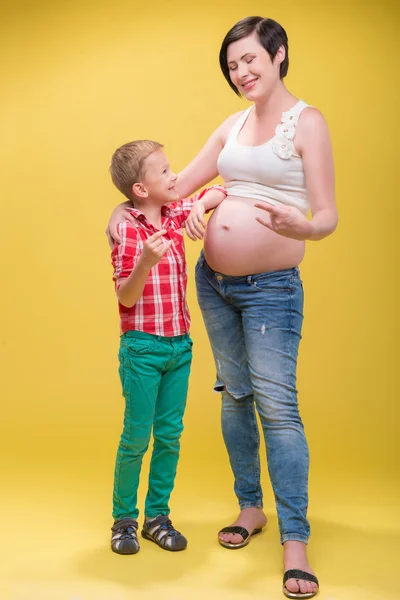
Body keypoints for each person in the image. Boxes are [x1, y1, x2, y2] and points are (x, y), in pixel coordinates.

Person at [106, 16, 337, 598]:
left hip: (272, 288)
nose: (242, 73)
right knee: (235, 396)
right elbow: (170, 186)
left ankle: (296, 541)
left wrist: (304, 229)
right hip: (215, 285)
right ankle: (249, 508)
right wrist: (120, 213)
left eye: (251, 60)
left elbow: (328, 214)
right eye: (233, 65)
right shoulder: (232, 125)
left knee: (277, 407)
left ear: (279, 54)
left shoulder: (307, 122)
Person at [108, 139, 226, 555]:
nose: (174, 175)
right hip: (142, 348)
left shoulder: (174, 213)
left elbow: (220, 190)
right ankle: (124, 518)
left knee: (170, 436)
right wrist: (144, 262)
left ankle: (157, 516)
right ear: (140, 190)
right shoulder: (126, 228)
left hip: (179, 346)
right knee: (137, 436)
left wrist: (198, 205)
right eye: (164, 172)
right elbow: (125, 296)